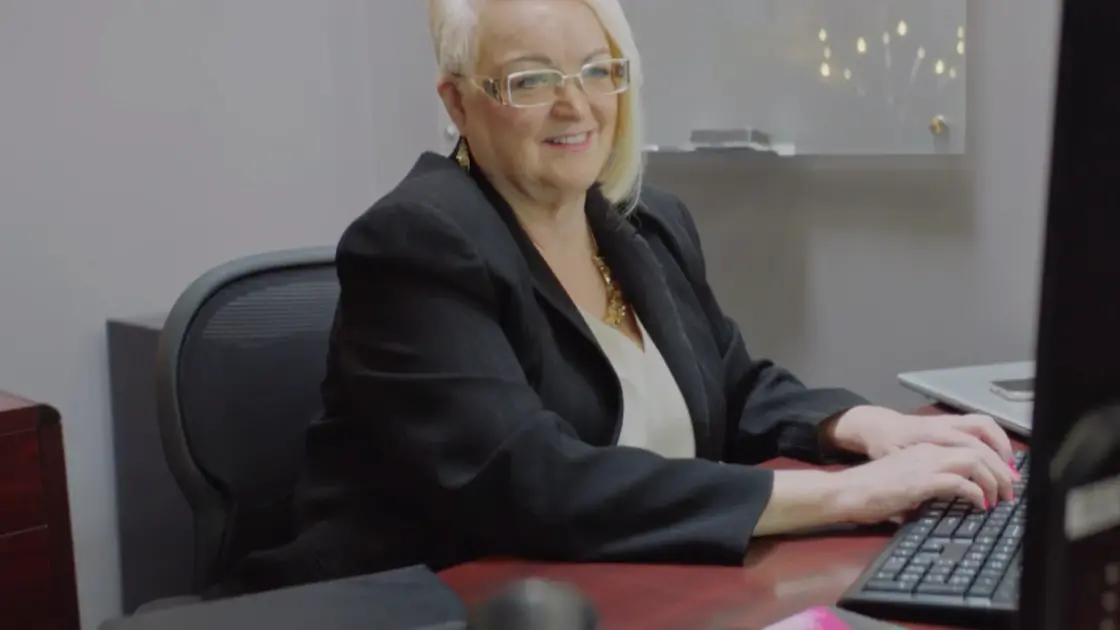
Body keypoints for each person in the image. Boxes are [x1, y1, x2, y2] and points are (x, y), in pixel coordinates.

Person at [210, 0, 1018, 597]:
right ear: (457, 102)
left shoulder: (645, 223)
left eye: (599, 70)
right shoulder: (416, 243)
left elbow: (735, 389)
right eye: (531, 79)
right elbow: (535, 483)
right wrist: (848, 495)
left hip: (618, 586)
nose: (577, 105)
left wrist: (868, 428)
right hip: (435, 601)